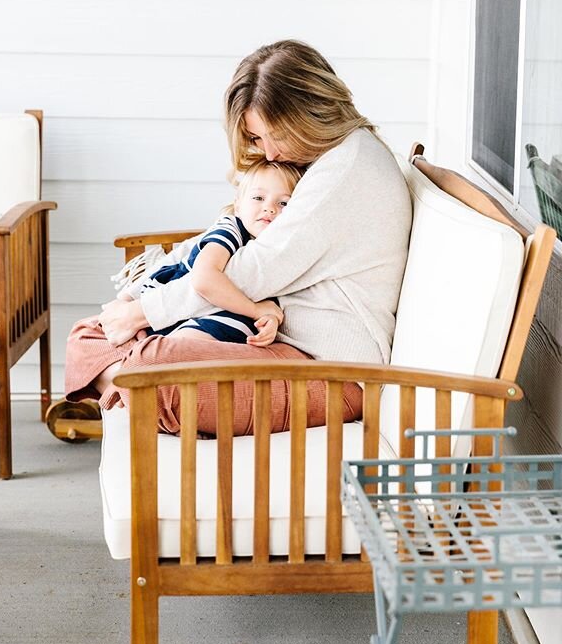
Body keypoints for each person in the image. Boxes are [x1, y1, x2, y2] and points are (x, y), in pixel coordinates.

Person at [65, 39, 412, 435]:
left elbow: (248, 270)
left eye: (274, 136)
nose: (270, 153)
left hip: (329, 369)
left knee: (147, 368)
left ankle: (137, 397)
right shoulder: (326, 159)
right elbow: (234, 239)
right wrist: (139, 300)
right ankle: (139, 400)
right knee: (88, 335)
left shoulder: (345, 172)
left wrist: (141, 313)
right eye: (258, 140)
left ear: (309, 113)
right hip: (269, 337)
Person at [129, 159, 302, 349]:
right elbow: (204, 279)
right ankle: (171, 350)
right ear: (238, 206)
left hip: (221, 312)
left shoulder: (280, 249)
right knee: (234, 321)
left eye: (284, 202)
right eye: (258, 198)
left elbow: (262, 292)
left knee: (243, 326)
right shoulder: (231, 229)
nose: (270, 208)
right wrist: (255, 310)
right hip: (176, 307)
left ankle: (177, 352)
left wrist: (269, 318)